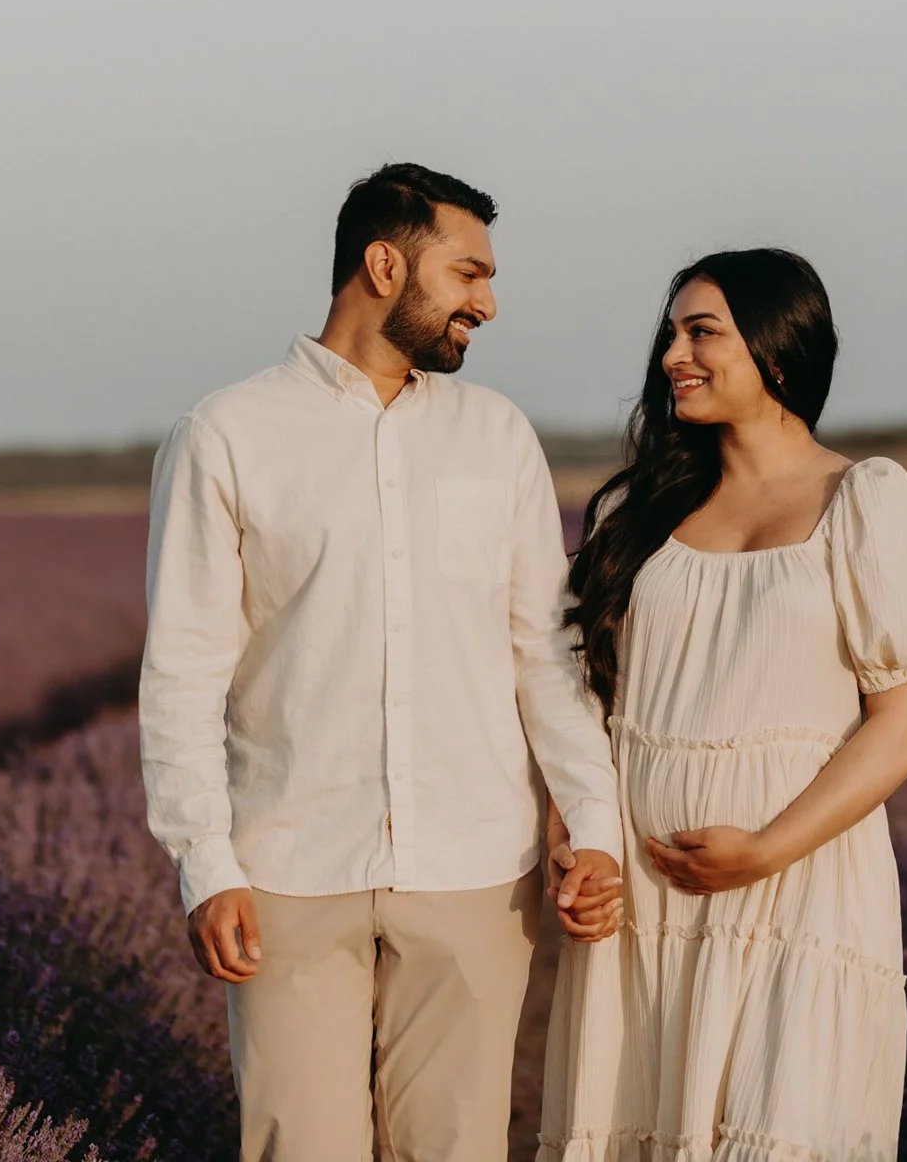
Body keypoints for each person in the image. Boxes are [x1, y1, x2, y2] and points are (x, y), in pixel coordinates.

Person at [138, 162, 623, 1161]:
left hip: (477, 868)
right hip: (289, 866)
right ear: (384, 263)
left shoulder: (498, 437)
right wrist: (205, 863)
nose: (486, 304)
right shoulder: (226, 435)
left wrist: (597, 824)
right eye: (468, 274)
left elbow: (546, 652)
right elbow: (182, 671)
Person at [539, 248, 907, 1161]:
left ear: (776, 350)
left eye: (703, 333)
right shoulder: (636, 517)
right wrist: (574, 840)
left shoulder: (866, 501)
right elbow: (582, 704)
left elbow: (906, 722)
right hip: (643, 911)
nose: (672, 357)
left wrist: (763, 850)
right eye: (671, 334)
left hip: (795, 888)